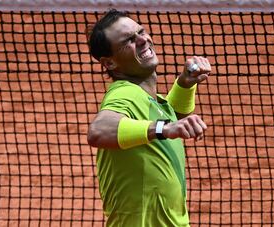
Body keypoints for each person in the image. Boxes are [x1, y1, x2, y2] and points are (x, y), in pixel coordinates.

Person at [86, 9, 211, 227]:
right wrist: (165, 129)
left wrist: (184, 84)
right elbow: (98, 131)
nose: (143, 40)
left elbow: (169, 117)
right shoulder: (125, 93)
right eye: (129, 41)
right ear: (110, 63)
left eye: (141, 32)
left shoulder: (149, 100)